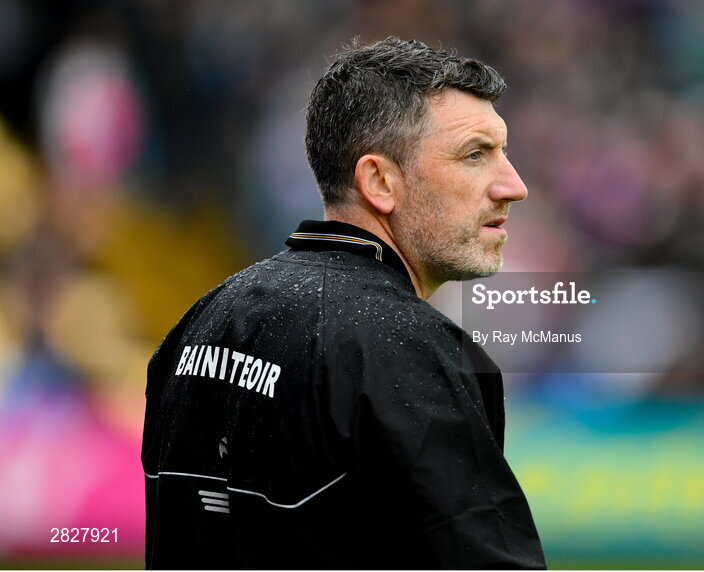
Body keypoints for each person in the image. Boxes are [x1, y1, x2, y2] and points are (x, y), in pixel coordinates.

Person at [142, 37, 546, 569]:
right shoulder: (404, 343)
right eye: (475, 155)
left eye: (505, 153)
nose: (512, 185)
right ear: (380, 181)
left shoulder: (203, 319)